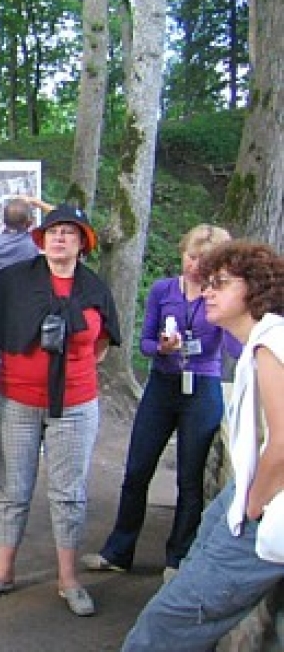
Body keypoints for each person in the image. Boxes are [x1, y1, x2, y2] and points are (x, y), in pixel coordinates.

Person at [122, 241, 284, 651]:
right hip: (249, 491)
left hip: (268, 509)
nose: (208, 291)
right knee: (199, 551)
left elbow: (283, 443)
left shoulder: (272, 344)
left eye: (222, 284)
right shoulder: (263, 342)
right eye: (208, 283)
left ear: (256, 289)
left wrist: (252, 504)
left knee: (166, 622)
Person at [0, 203, 120, 618]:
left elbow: (103, 344)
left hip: (75, 405)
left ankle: (69, 578)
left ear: (83, 243)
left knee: (68, 494)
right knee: (12, 490)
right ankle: (3, 570)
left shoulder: (95, 289)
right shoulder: (14, 282)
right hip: (16, 399)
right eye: (53, 231)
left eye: (70, 233)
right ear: (41, 238)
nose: (59, 238)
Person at [83, 224, 238, 582]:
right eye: (191, 256)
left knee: (188, 477)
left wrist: (233, 313)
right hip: (162, 384)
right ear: (182, 252)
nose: (195, 265)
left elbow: (232, 349)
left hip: (202, 386)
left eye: (204, 260)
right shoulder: (163, 290)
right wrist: (162, 348)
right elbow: (144, 343)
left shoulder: (218, 298)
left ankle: (178, 557)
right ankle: (118, 551)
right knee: (137, 469)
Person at [0, 196, 51, 448]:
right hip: (27, 318)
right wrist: (36, 202)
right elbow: (62, 215)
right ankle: (35, 436)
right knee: (32, 374)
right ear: (30, 222)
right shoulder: (33, 245)